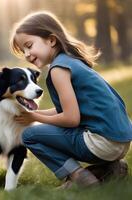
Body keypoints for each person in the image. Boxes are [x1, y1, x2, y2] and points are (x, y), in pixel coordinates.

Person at [10, 11, 132, 188]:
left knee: (29, 135)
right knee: (41, 129)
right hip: (119, 141)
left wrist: (35, 118)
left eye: (29, 45)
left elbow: (70, 118)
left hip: (101, 142)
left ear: (51, 40)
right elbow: (66, 111)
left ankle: (78, 177)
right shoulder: (71, 61)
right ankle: (111, 169)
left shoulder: (58, 69)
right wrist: (33, 113)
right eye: (23, 50)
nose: (27, 54)